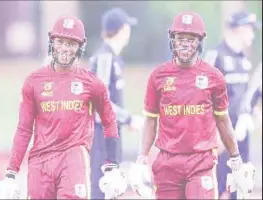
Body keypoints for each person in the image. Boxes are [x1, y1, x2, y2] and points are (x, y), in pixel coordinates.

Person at [0, 16, 124, 199]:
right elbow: (24, 129)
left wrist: (112, 165)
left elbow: (109, 121)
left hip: (73, 158)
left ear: (81, 46)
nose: (65, 48)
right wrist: (11, 173)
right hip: (40, 162)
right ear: (52, 42)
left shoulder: (92, 83)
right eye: (60, 41)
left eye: (71, 43)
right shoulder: (34, 81)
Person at [129, 11, 255, 199]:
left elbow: (222, 119)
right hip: (167, 162)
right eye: (181, 38)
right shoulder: (158, 76)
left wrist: (235, 157)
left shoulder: (213, 76)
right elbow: (150, 120)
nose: (185, 44)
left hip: (201, 162)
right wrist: (141, 158)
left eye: (191, 39)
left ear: (200, 42)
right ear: (172, 39)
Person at [203, 11, 261, 199]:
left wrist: (253, 112)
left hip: (240, 135)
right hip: (221, 136)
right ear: (241, 28)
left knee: (239, 184)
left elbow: (244, 96)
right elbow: (201, 94)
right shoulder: (215, 55)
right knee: (221, 188)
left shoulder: (243, 59)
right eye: (251, 29)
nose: (253, 34)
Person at [88, 7, 144, 200]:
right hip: (103, 138)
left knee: (112, 190)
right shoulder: (105, 57)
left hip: (111, 136)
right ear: (121, 29)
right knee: (103, 189)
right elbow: (100, 105)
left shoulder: (115, 58)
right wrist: (128, 119)